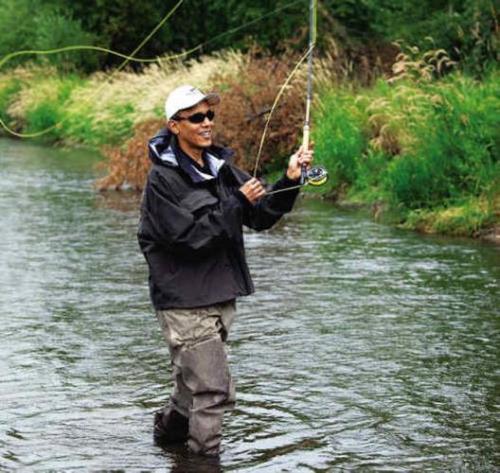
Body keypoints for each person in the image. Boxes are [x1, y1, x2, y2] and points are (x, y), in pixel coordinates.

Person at [137, 84, 313, 457]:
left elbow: (261, 216)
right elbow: (187, 238)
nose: (206, 123)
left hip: (220, 296)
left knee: (191, 390)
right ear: (174, 125)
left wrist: (291, 179)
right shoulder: (161, 181)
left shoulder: (221, 168)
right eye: (196, 117)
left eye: (210, 115)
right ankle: (202, 464)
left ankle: (166, 444)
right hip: (184, 301)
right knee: (213, 390)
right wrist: (235, 201)